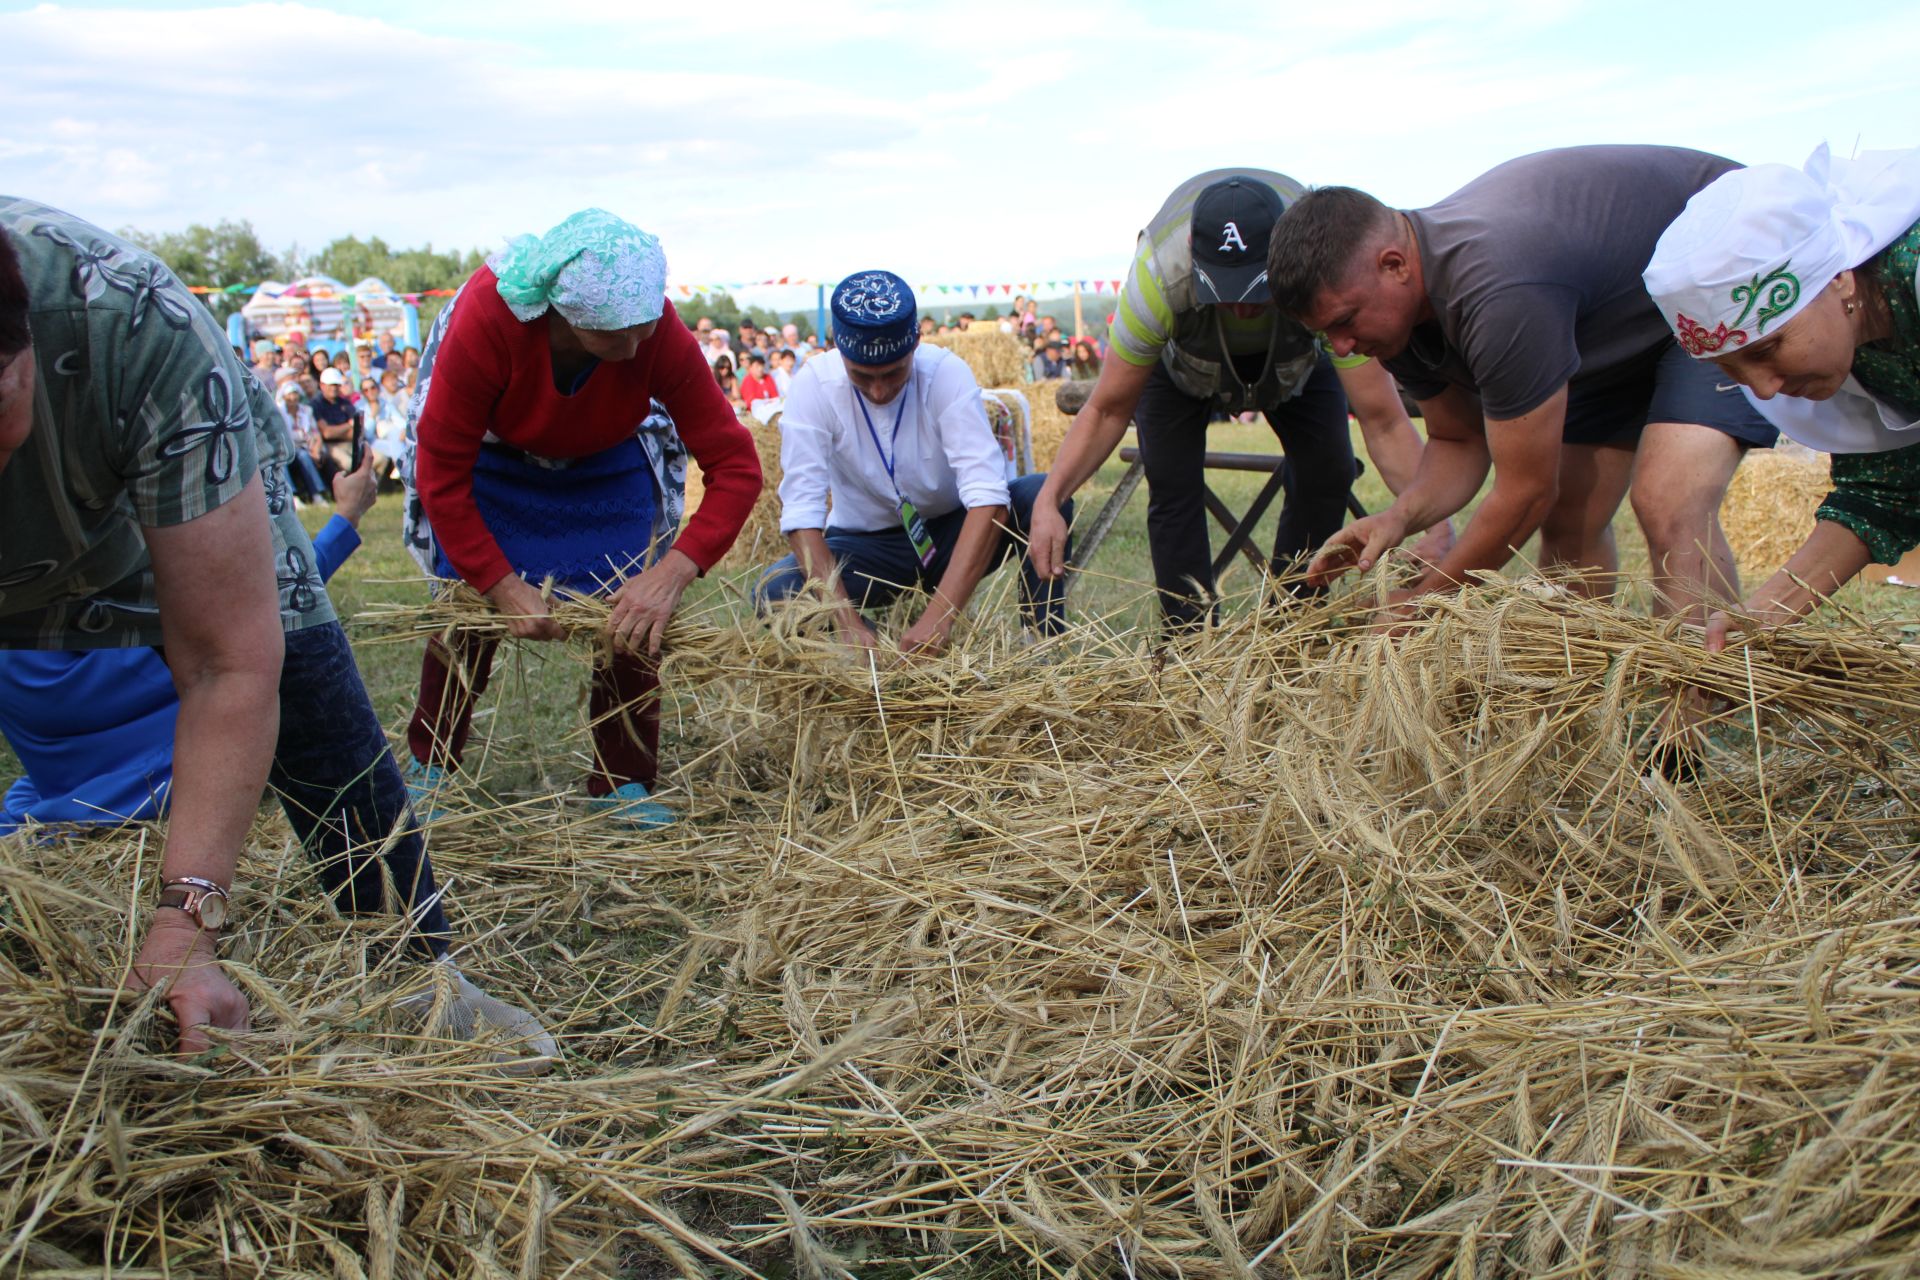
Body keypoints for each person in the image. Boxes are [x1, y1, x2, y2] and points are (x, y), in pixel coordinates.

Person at [0, 198, 547, 1064]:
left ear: (27, 346)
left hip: (142, 489)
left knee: (298, 657)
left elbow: (231, 661)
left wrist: (186, 922)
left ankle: (419, 974)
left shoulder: (135, 328)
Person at [1268, 146, 1780, 629]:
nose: (1340, 347)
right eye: (1324, 333)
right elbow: (1458, 441)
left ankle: (1691, 713)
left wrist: (1429, 600)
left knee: (1669, 500)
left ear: (1394, 265)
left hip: (1720, 263)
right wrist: (1397, 518)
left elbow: (1525, 492)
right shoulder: (1395, 318)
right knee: (1570, 517)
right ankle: (1579, 713)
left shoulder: (1499, 290)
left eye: (1345, 321)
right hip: (1614, 316)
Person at [401, 208, 762, 828]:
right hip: (494, 456)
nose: (633, 349)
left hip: (606, 454)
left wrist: (671, 573)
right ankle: (430, 762)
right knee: (466, 611)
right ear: (562, 316)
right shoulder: (490, 318)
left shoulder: (654, 331)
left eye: (644, 330)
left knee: (632, 610)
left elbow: (737, 466)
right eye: (613, 336)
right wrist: (501, 584)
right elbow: (442, 474)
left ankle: (623, 779)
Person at [1028, 170, 1438, 628]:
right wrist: (1050, 498)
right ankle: (1190, 640)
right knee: (1170, 481)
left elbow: (1382, 419)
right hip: (1181, 366)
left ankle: (1293, 626)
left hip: (1297, 361)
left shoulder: (1323, 265)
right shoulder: (1158, 276)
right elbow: (1106, 408)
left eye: (1257, 290)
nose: (1243, 308)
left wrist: (1436, 522)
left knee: (1330, 468)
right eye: (1223, 290)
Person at [1, 452, 380, 832]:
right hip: (161, 789)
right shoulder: (146, 632)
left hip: (60, 796)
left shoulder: (25, 630)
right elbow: (272, 598)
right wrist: (345, 516)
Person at [1642, 144, 1920, 649]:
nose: (1765, 388)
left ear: (1837, 277)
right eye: (1730, 367)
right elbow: (1884, 493)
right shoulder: (1849, 343)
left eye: (1770, 347)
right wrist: (1765, 612)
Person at [756, 271, 1070, 654]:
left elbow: (988, 495)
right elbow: (802, 514)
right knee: (775, 590)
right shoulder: (813, 386)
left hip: (951, 533)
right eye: (861, 376)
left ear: (915, 345)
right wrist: (846, 622)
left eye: (893, 373)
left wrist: (938, 619)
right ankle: (877, 658)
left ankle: (1041, 649)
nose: (879, 390)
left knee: (1042, 496)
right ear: (839, 351)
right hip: (866, 547)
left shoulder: (944, 373)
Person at [311, 366, 360, 484]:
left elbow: (357, 430)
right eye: (331, 385)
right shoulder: (316, 404)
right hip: (329, 445)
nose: (334, 388)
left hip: (348, 442)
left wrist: (337, 431)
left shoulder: (345, 403)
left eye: (336, 385)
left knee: (377, 458)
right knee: (349, 463)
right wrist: (348, 425)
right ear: (322, 385)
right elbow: (326, 434)